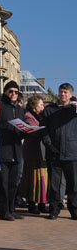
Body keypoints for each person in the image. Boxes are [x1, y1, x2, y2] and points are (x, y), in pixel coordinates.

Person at [0, 81, 25, 221]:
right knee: (3, 183)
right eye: (10, 91)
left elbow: (22, 127)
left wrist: (25, 132)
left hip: (16, 150)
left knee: (14, 183)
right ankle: (4, 211)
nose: (13, 94)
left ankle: (11, 209)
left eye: (16, 91)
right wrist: (4, 127)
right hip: (2, 150)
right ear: (5, 92)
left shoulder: (20, 109)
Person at [41, 83, 77, 220]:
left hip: (72, 152)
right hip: (54, 152)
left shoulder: (74, 110)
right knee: (54, 184)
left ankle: (74, 210)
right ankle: (54, 209)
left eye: (65, 92)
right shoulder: (49, 110)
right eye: (61, 92)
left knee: (73, 184)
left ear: (71, 94)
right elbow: (43, 128)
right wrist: (48, 143)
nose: (62, 94)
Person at [20, 94, 47, 214]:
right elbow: (33, 130)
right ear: (35, 106)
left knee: (43, 178)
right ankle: (32, 203)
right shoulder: (28, 116)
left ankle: (42, 202)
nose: (43, 107)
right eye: (41, 104)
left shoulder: (41, 116)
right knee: (33, 179)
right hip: (32, 151)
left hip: (41, 151)